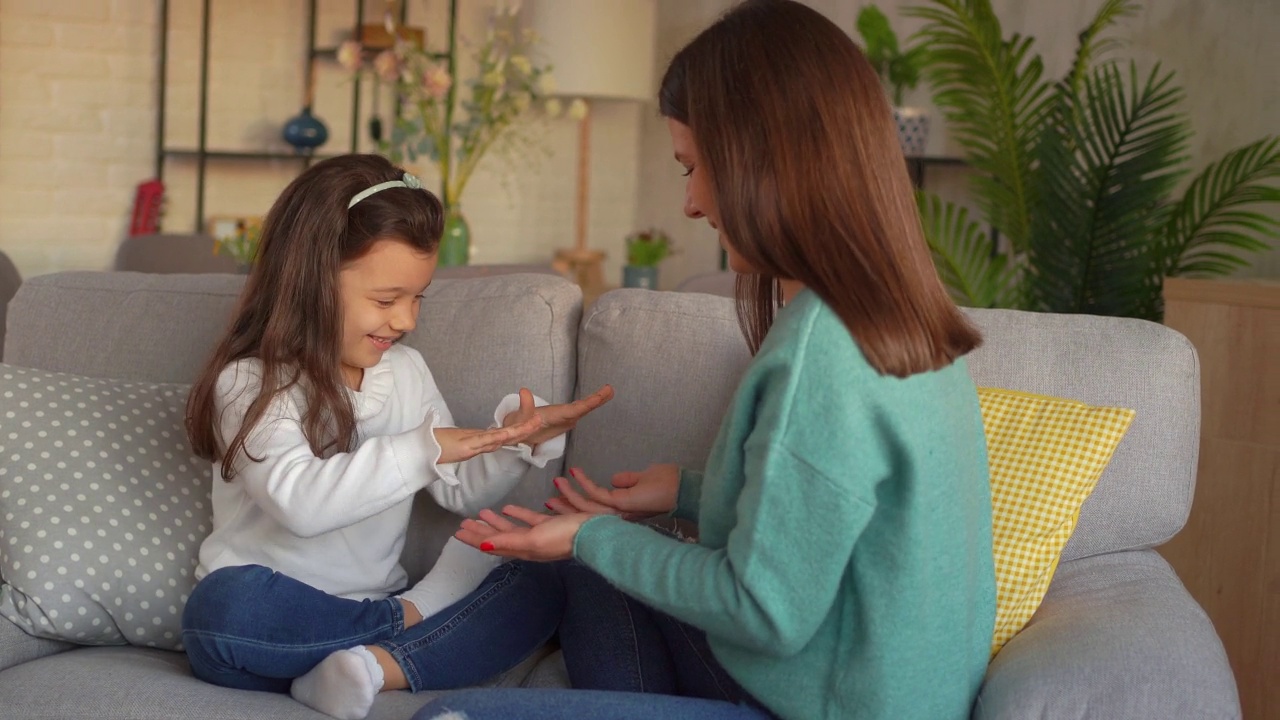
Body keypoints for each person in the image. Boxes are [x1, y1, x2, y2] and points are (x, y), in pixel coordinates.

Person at [412, 1, 997, 719]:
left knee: (448, 716)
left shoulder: (825, 353)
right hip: (848, 685)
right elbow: (828, 520)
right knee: (592, 573)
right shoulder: (898, 313)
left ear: (763, 160)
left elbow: (765, 609)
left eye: (694, 168)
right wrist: (686, 493)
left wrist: (597, 532)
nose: (689, 203)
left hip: (828, 705)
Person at [179, 154, 612, 720]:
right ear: (309, 282)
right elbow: (301, 504)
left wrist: (512, 441)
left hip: (368, 602)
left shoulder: (405, 372)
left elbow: (458, 490)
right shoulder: (252, 381)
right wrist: (422, 450)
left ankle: (363, 670)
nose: (406, 320)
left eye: (417, 299)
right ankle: (410, 624)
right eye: (386, 301)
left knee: (548, 584)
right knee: (220, 610)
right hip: (271, 620)